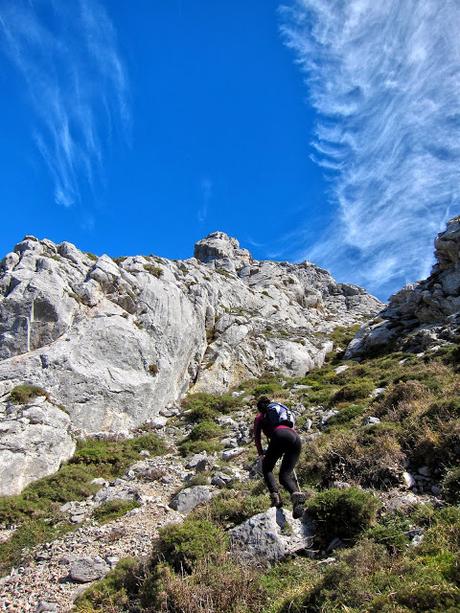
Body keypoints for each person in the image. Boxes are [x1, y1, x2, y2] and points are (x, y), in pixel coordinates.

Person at [253, 396, 306, 519]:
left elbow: (257, 437)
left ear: (260, 408)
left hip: (279, 435)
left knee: (267, 468)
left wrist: (261, 453)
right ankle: (296, 494)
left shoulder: (260, 417)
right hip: (295, 439)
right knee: (284, 476)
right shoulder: (281, 411)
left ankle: (275, 497)